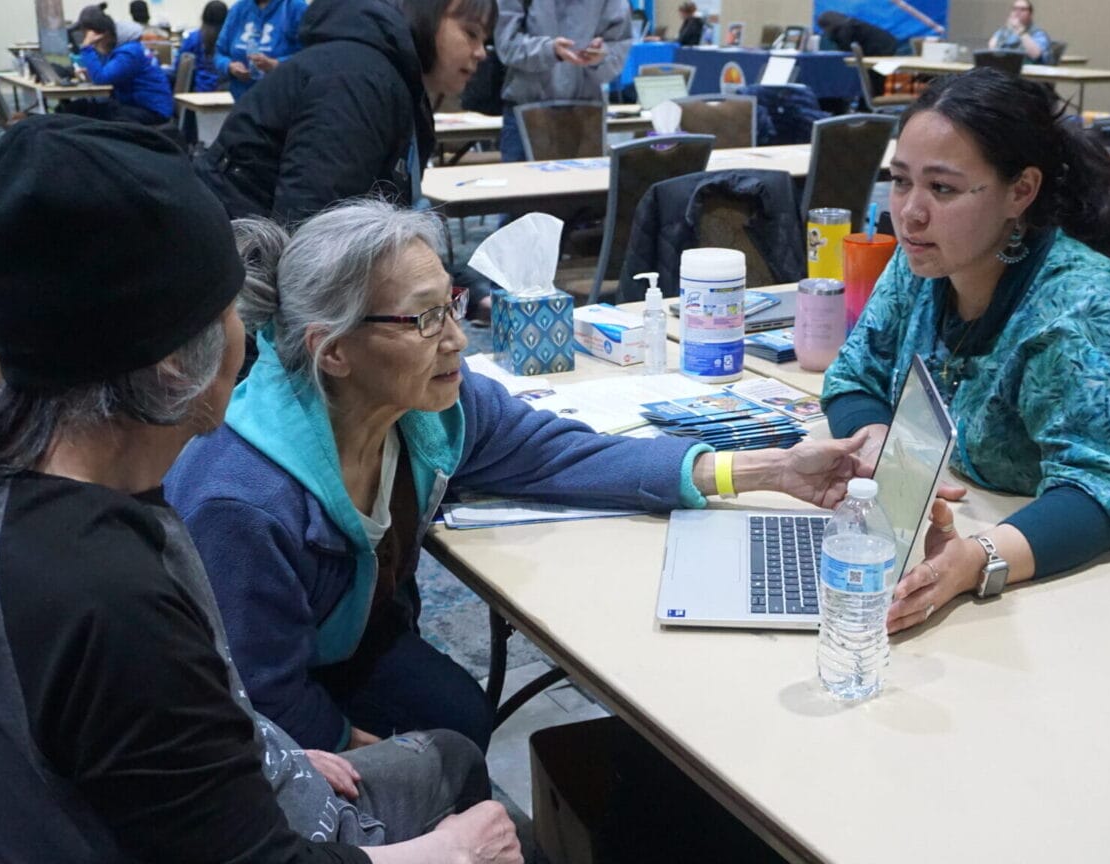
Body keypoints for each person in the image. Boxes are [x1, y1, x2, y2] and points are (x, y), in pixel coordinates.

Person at [0, 115, 520, 864]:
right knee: (479, 808)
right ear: (176, 360)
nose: (255, 339)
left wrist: (269, 743)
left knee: (451, 750)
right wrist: (451, 852)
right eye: (234, 310)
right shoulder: (107, 608)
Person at [163, 199, 869, 754]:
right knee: (443, 751)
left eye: (454, 305)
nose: (458, 339)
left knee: (458, 719)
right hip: (252, 710)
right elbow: (256, 699)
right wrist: (380, 767)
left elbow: (560, 454)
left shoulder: (434, 406)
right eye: (426, 318)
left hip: (354, 640)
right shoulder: (243, 498)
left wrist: (769, 469)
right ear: (334, 351)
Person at [821, 69, 1110, 634]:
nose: (909, 212)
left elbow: (1096, 493)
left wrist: (973, 560)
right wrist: (879, 438)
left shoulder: (1081, 305)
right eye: (900, 180)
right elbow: (854, 374)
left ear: (1021, 192)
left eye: (943, 188)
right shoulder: (927, 261)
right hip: (996, 526)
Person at [197, 0, 490, 223]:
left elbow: (396, 218)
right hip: (240, 280)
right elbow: (313, 235)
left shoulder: (392, 78)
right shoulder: (357, 79)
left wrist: (462, 288)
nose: (481, 52)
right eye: (471, 33)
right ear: (426, 15)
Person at [494, 0, 630, 162]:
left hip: (585, 113)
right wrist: (549, 50)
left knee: (586, 186)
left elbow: (619, 46)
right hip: (525, 111)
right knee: (522, 185)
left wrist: (601, 56)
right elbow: (506, 44)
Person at [62, 5, 174, 124]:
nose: (95, 46)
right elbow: (106, 75)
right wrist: (91, 73)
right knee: (77, 109)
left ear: (102, 35)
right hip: (138, 105)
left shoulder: (129, 52)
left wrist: (87, 47)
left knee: (87, 116)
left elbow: (102, 79)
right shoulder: (126, 49)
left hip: (151, 111)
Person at [215, 0, 307, 99]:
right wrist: (229, 66)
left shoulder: (295, 7)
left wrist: (276, 64)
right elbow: (219, 54)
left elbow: (309, 55)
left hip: (282, 100)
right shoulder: (238, 8)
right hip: (241, 99)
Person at [180, 0, 231, 92]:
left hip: (196, 91)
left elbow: (179, 68)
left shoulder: (192, 38)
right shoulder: (230, 41)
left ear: (203, 17)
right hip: (223, 91)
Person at [987, 0, 1052, 64]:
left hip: (1028, 72)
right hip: (1005, 68)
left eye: (1023, 9)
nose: (1017, 12)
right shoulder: (1004, 31)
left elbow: (1035, 55)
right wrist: (1005, 31)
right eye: (1014, 9)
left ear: (1030, 14)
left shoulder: (1039, 34)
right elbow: (991, 50)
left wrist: (1021, 31)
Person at [815, 10, 900, 57]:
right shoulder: (851, 24)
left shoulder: (846, 30)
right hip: (887, 48)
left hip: (882, 53)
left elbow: (845, 52)